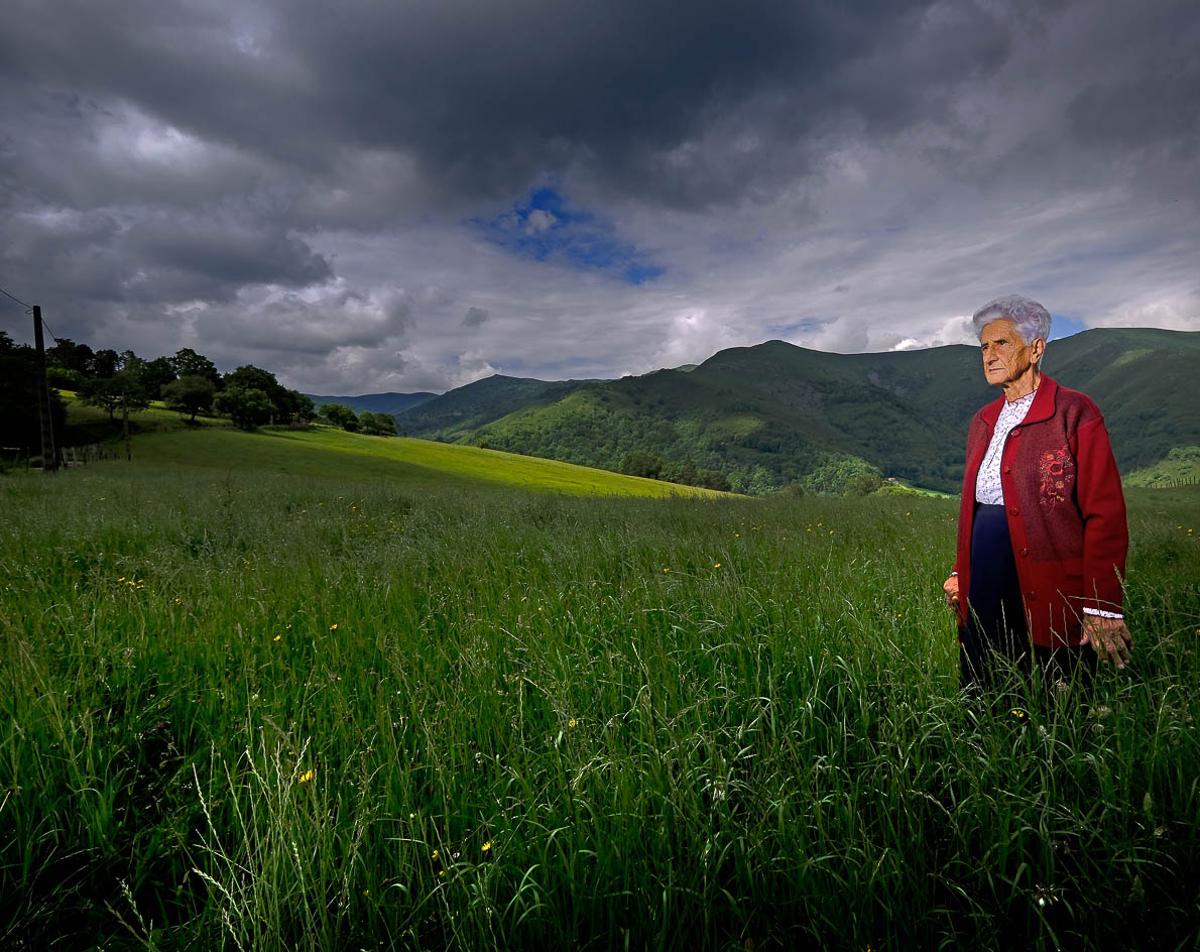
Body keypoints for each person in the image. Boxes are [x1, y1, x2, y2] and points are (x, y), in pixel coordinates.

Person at [941, 295, 1131, 698]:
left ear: (1037, 347)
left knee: (1060, 687)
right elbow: (971, 508)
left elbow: (1105, 513)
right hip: (986, 565)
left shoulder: (1074, 412)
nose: (989, 356)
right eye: (984, 347)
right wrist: (962, 571)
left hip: (1053, 570)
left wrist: (1101, 605)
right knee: (987, 674)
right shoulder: (983, 421)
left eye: (1002, 343)